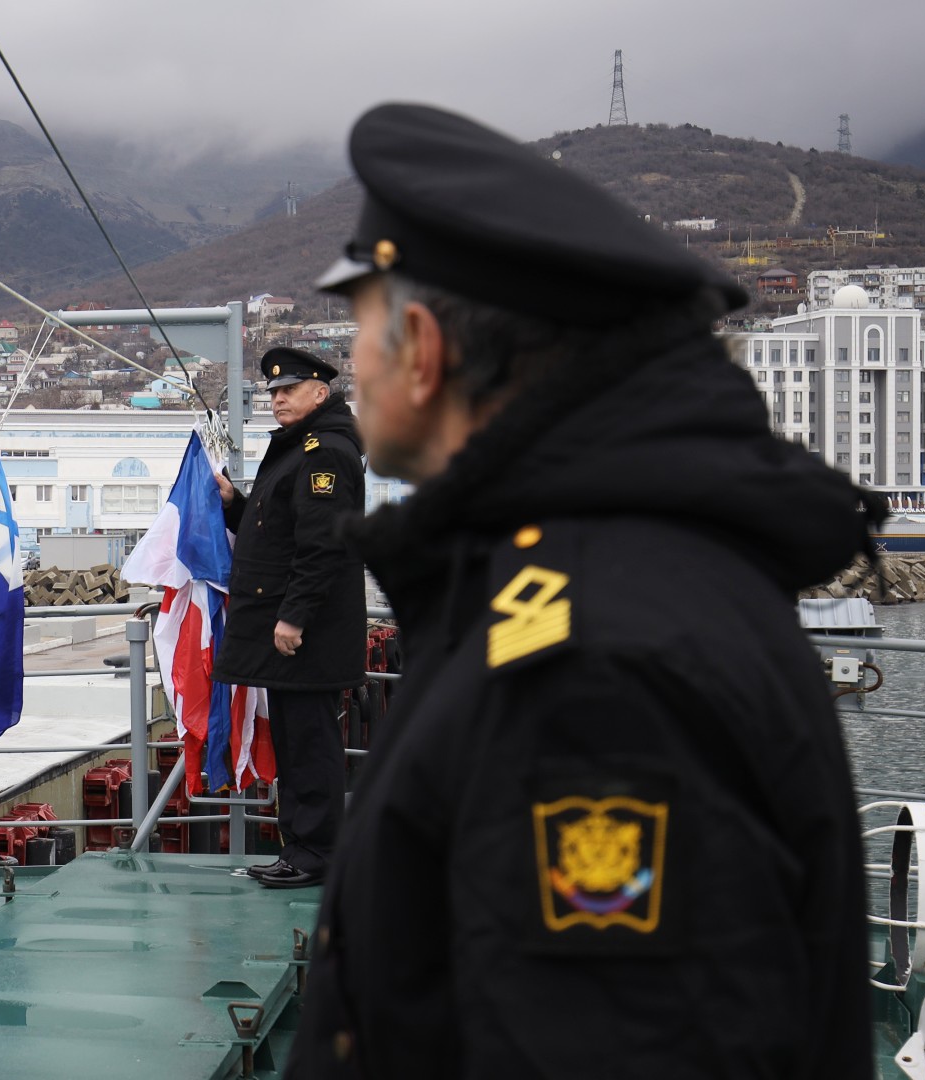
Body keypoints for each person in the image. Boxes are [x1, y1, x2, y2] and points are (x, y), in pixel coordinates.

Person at [283, 103, 879, 1078]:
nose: (349, 364)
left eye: (355, 328)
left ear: (422, 348)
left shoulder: (588, 676)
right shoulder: (607, 575)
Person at [211, 346, 366, 890]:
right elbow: (276, 521)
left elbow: (321, 546)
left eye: (288, 391)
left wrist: (294, 618)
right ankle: (302, 849)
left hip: (307, 634)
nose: (276, 399)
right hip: (292, 629)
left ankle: (317, 854)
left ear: (320, 393)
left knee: (311, 743)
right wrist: (234, 502)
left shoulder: (326, 453)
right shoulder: (302, 447)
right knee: (297, 743)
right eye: (273, 392)